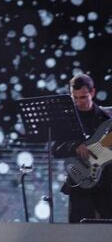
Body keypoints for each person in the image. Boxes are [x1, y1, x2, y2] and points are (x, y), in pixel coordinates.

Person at [52, 73, 112, 223]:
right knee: (78, 231)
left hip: (106, 185)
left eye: (83, 97)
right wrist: (75, 146)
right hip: (79, 183)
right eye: (75, 97)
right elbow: (56, 149)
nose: (79, 102)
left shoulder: (106, 118)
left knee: (107, 230)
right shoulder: (67, 119)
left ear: (92, 92)